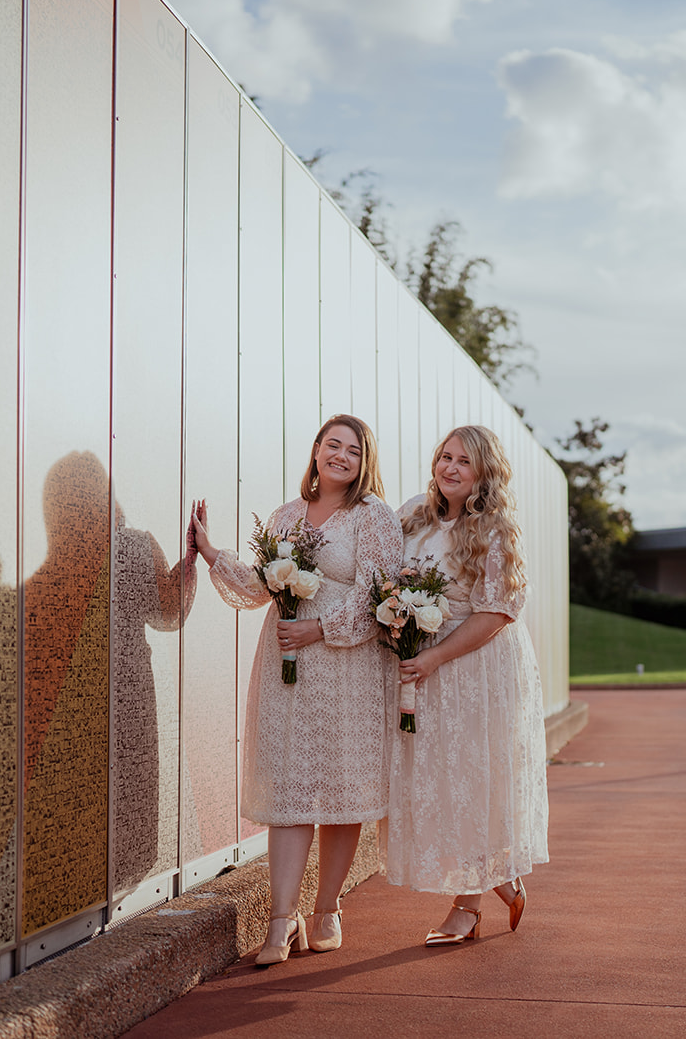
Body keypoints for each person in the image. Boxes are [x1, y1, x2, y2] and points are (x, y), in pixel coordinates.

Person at [190, 414, 403, 966]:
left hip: (347, 669)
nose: (340, 456)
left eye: (352, 451)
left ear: (364, 463)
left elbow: (378, 594)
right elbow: (262, 584)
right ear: (315, 450)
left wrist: (319, 628)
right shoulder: (286, 515)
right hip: (286, 666)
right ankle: (280, 921)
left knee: (340, 787)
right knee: (289, 784)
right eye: (332, 445)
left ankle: (327, 908)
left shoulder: (372, 516)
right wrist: (211, 553)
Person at [388, 425, 549, 945]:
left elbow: (499, 611)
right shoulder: (414, 514)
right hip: (426, 666)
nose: (450, 468)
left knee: (474, 779)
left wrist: (434, 655)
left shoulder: (495, 529)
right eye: (445, 457)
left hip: (477, 668)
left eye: (464, 462)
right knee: (440, 783)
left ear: (483, 474)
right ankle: (502, 879)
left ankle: (467, 908)